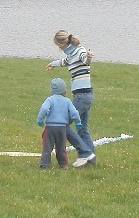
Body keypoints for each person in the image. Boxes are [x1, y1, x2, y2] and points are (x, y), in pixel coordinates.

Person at [46, 30, 96, 167]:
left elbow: (85, 60)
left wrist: (89, 57)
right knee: (82, 129)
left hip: (82, 97)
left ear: (63, 43)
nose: (58, 48)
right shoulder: (70, 54)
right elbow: (64, 62)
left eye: (58, 45)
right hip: (86, 96)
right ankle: (91, 162)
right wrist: (53, 64)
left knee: (61, 123)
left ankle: (85, 152)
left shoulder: (79, 51)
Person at [37, 78, 82, 170]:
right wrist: (78, 122)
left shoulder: (50, 99)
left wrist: (40, 119)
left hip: (50, 128)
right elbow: (74, 113)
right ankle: (63, 164)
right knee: (61, 147)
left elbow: (44, 109)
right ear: (64, 91)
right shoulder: (67, 101)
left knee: (47, 146)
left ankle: (45, 164)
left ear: (52, 90)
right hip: (62, 129)